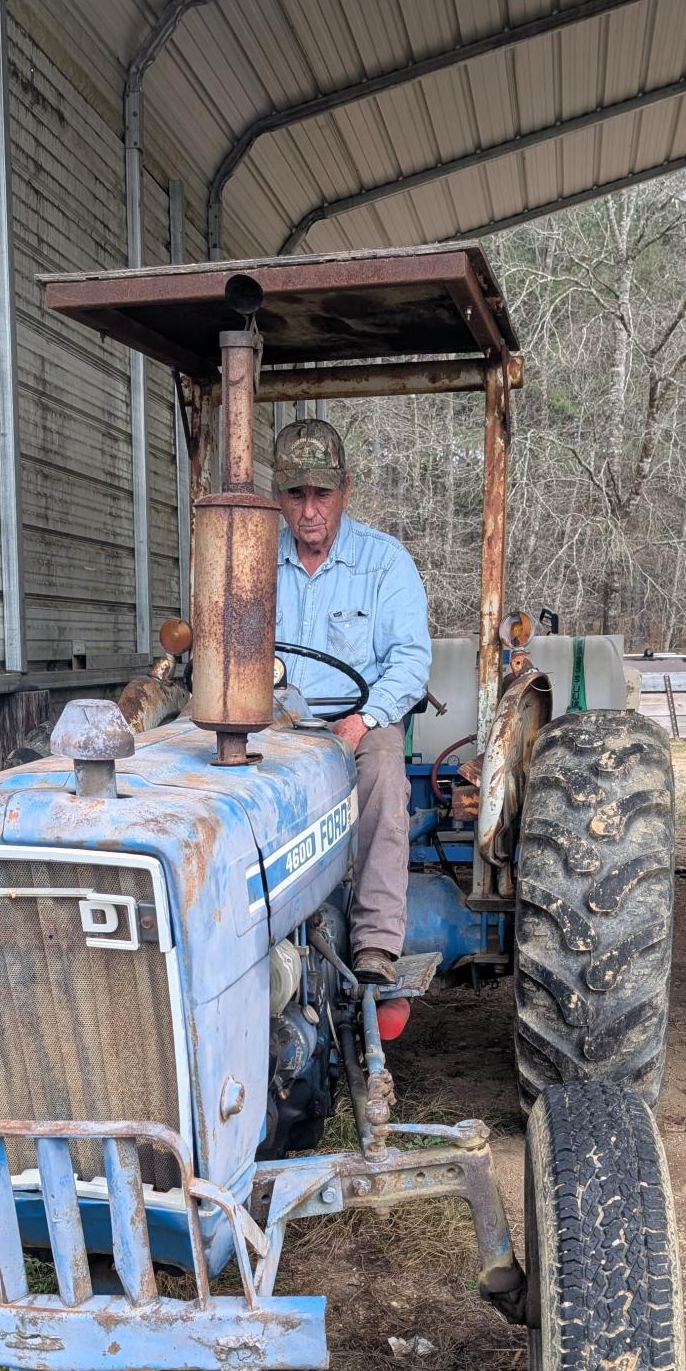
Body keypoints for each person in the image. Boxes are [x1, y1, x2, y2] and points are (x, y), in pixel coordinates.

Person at [272, 418, 431, 985]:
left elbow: (410, 662)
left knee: (386, 773)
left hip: (361, 715)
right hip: (277, 718)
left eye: (322, 494)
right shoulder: (257, 563)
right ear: (279, 495)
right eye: (296, 494)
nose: (309, 510)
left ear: (346, 489)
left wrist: (365, 719)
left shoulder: (384, 563)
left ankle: (375, 941)